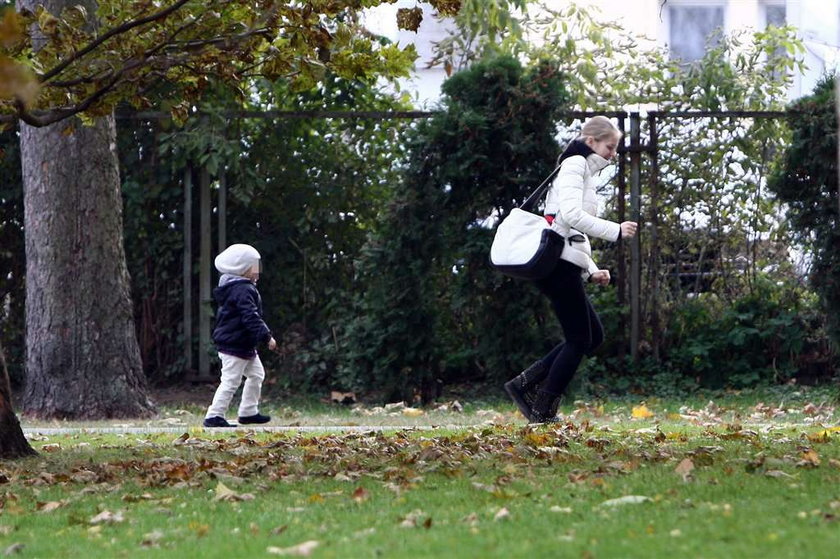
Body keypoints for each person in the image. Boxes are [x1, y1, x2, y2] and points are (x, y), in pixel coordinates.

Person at [504, 116, 638, 423]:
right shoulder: (575, 165)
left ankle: (525, 384)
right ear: (591, 141)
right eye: (610, 146)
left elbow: (566, 229)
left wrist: (590, 269)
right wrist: (615, 231)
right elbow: (571, 215)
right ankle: (542, 409)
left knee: (592, 337)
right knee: (579, 339)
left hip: (565, 261)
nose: (613, 153)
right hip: (557, 266)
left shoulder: (582, 169)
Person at [203, 243, 277, 428]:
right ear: (242, 269)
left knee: (257, 374)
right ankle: (214, 415)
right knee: (231, 380)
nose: (258, 271)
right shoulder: (243, 289)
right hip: (234, 344)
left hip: (242, 344)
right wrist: (266, 336)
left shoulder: (239, 287)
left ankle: (248, 412)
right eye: (254, 267)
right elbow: (250, 316)